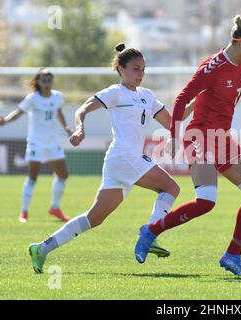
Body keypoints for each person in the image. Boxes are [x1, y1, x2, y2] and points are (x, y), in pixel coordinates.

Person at [134, 15, 241, 276]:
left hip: (223, 138)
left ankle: (233, 255)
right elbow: (183, 97)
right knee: (206, 202)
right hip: (199, 137)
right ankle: (151, 230)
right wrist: (174, 135)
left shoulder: (240, 65)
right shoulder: (212, 67)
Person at [28, 43, 194, 273]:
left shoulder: (147, 95)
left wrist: (202, 97)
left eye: (143, 69)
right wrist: (80, 127)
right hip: (124, 157)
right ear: (121, 69)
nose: (140, 74)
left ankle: (42, 248)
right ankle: (150, 232)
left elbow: (173, 120)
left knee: (94, 218)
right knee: (171, 188)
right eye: (136, 69)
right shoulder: (115, 92)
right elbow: (82, 109)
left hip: (122, 162)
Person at [0, 68, 72, 223]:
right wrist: (5, 120)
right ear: (38, 82)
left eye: (49, 80)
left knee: (63, 175)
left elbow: (59, 113)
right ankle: (24, 212)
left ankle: (55, 208)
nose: (47, 83)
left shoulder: (58, 96)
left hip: (52, 142)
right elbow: (18, 112)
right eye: (43, 80)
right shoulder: (33, 98)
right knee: (33, 177)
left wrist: (65, 127)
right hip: (36, 142)